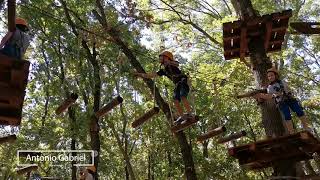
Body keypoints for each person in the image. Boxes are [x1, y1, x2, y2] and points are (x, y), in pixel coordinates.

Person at [134, 51, 193, 124]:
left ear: (166, 57)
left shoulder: (173, 64)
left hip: (183, 81)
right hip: (177, 84)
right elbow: (150, 75)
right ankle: (182, 117)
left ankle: (189, 113)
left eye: (161, 57)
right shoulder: (163, 71)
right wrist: (139, 75)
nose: (160, 59)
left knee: (182, 96)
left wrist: (169, 62)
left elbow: (177, 64)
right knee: (175, 100)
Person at [255, 67, 311, 134]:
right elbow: (270, 96)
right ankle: (291, 132)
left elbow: (288, 89)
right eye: (269, 76)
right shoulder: (270, 87)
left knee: (299, 111)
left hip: (290, 99)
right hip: (281, 102)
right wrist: (261, 96)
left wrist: (286, 93)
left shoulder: (282, 82)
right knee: (287, 115)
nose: (270, 77)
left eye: (272, 75)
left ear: (275, 75)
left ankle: (306, 127)